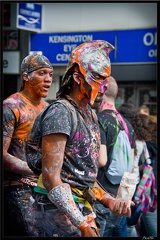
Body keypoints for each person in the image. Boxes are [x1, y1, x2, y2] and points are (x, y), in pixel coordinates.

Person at [26, 40, 134, 237]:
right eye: (98, 78)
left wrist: (110, 201)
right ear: (77, 77)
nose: (104, 86)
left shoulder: (90, 115)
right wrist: (81, 223)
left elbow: (83, 175)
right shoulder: (60, 112)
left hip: (80, 210)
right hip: (53, 213)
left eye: (106, 80)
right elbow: (51, 178)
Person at [3, 53, 53, 236]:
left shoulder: (48, 109)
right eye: (41, 73)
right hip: (16, 188)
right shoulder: (11, 106)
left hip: (43, 188)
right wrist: (36, 170)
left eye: (50, 74)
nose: (48, 79)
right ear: (26, 76)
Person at [94, 76, 136, 237]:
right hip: (120, 199)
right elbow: (131, 165)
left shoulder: (99, 120)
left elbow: (101, 160)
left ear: (100, 92)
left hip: (102, 198)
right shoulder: (126, 124)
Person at [118, 103, 148, 237]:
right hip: (134, 181)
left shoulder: (124, 136)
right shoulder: (140, 138)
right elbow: (144, 162)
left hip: (122, 181)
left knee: (121, 220)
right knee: (128, 221)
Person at [138, 113, 157, 237]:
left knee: (151, 229)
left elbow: (143, 167)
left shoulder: (145, 146)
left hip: (149, 194)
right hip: (152, 193)